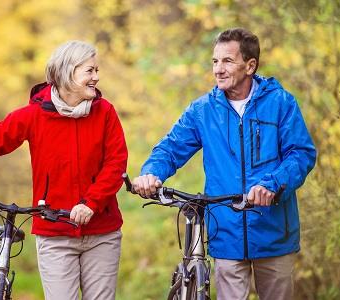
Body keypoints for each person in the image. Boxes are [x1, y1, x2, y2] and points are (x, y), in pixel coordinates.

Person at [0, 40, 127, 300]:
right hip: (54, 233)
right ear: (68, 73)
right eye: (89, 71)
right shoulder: (34, 115)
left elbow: (116, 163)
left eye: (96, 71)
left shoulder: (104, 113)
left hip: (102, 232)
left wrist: (91, 203)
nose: (96, 77)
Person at [131, 28, 316, 300]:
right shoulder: (202, 110)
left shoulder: (281, 103)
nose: (218, 69)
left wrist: (273, 185)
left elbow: (301, 153)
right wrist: (150, 173)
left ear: (250, 66)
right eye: (215, 61)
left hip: (274, 233)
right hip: (225, 231)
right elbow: (170, 148)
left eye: (227, 61)